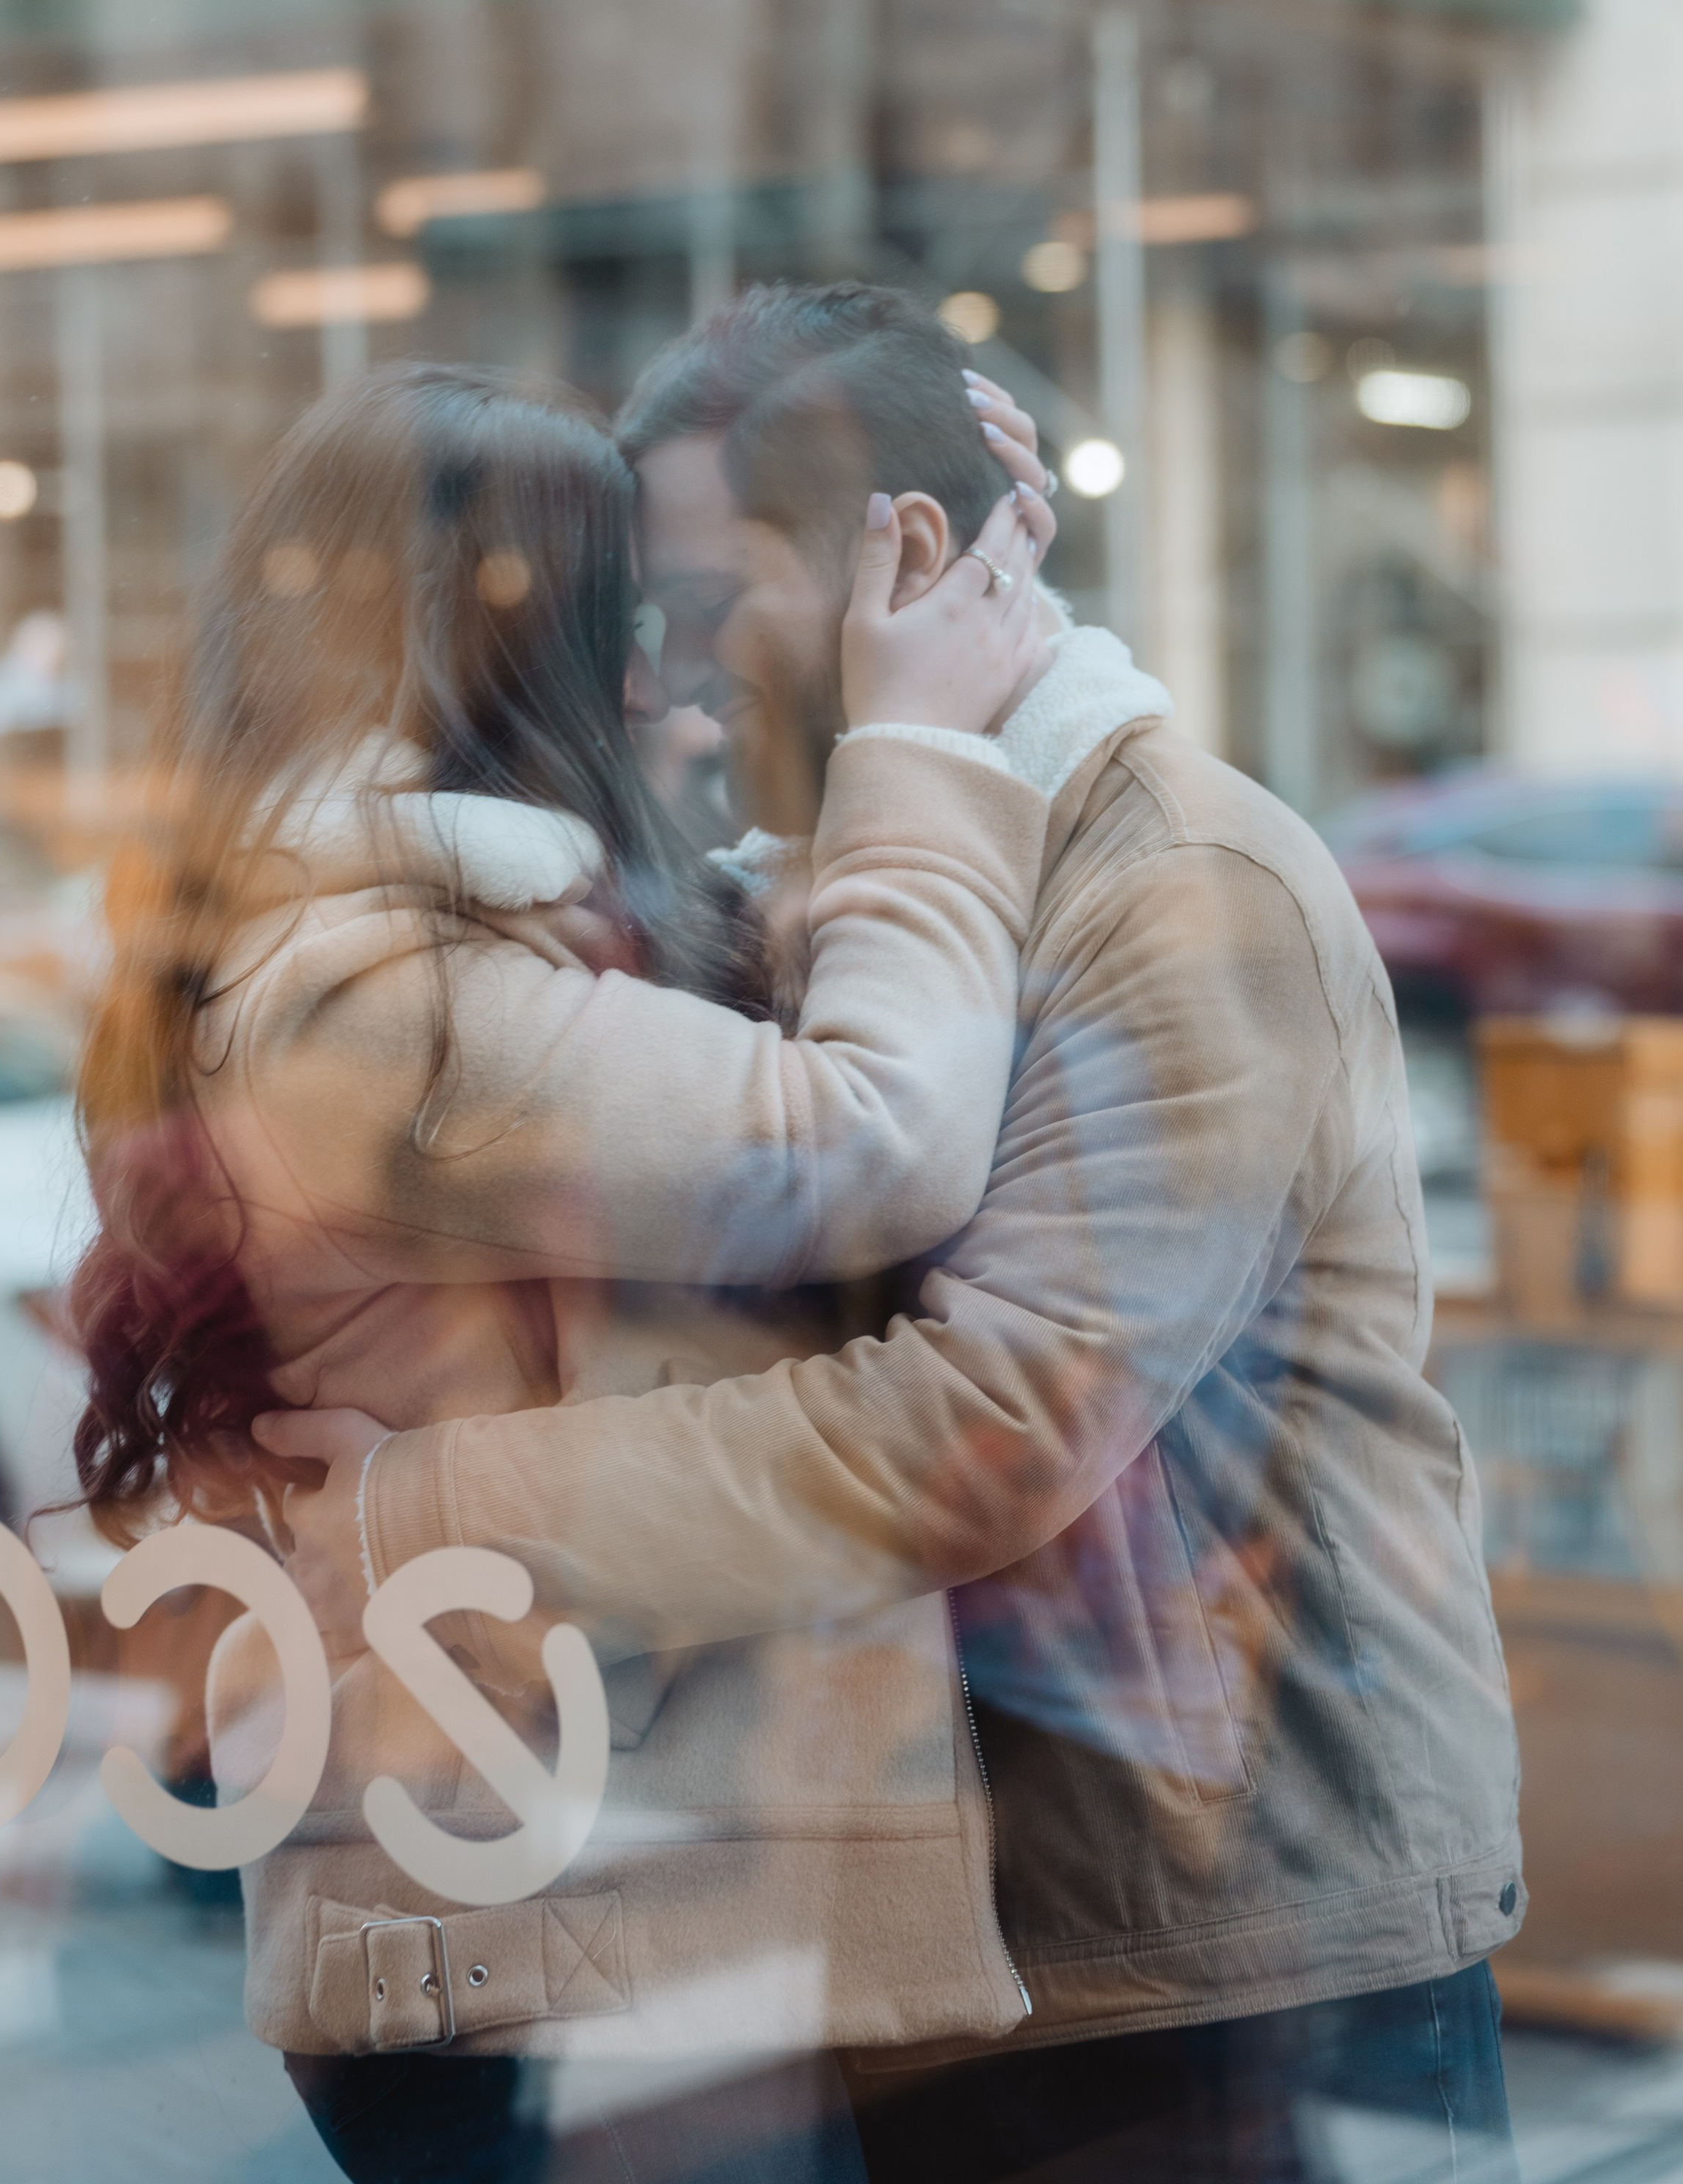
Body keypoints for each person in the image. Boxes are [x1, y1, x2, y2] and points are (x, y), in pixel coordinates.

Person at [269, 285, 1525, 2184]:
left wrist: (436, 1511)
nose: (675, 685)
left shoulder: (1175, 888)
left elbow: (993, 1413)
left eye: (700, 611)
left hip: (1234, 1953)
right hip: (1002, 1933)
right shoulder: (864, 891)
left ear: (908, 558)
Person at [67, 361, 1059, 2183]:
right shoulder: (397, 1001)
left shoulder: (415, 953)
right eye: (628, 615)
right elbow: (876, 1133)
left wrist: (957, 605)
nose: (663, 671)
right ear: (500, 648)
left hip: (528, 1893)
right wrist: (926, 736)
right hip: (540, 1928)